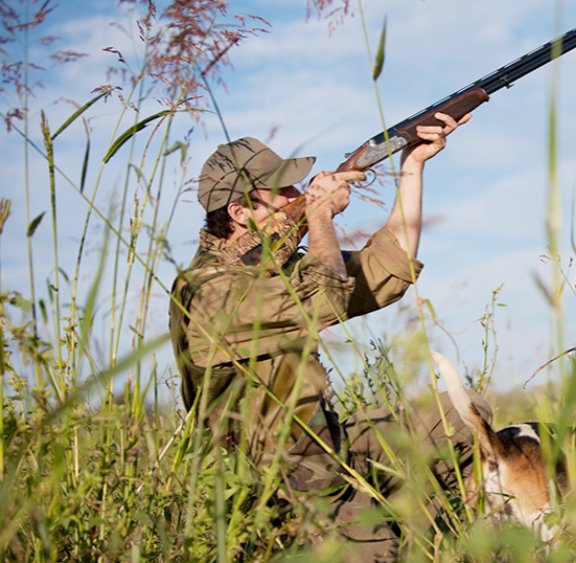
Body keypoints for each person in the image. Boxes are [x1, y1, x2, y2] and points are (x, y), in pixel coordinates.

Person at [168, 112, 491, 561]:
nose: (297, 196)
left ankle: (423, 537)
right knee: (375, 553)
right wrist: (319, 216)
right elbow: (326, 297)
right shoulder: (208, 291)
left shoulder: (273, 270)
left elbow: (386, 272)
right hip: (277, 479)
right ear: (240, 213)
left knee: (462, 420)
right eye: (281, 191)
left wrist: (412, 167)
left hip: (325, 443)